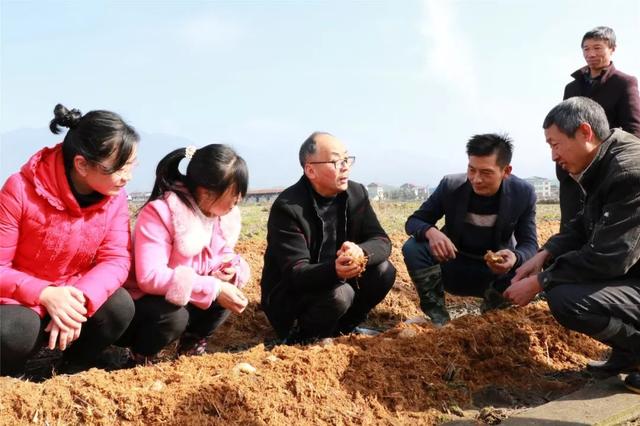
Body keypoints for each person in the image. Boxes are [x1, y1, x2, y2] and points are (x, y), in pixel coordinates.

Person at [504, 97, 640, 394]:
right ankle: (629, 354)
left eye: (555, 144)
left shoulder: (628, 173)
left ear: (585, 133)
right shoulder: (607, 157)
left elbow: (610, 258)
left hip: (628, 267)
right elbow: (585, 222)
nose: (553, 156)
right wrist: (546, 253)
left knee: (567, 298)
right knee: (561, 273)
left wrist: (541, 281)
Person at [0, 104, 139, 376]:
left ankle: (73, 368)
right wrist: (45, 294)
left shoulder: (115, 199)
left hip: (73, 291)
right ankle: (13, 379)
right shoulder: (19, 190)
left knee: (119, 307)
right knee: (13, 330)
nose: (127, 177)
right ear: (82, 165)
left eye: (132, 166)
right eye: (119, 168)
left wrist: (81, 301)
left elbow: (117, 258)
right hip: (22, 301)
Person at [260, 131, 396, 343]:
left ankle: (345, 328)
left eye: (346, 159)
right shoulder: (288, 208)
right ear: (310, 170)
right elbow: (296, 273)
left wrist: (361, 253)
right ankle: (302, 336)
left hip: (336, 285)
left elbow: (382, 241)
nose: (345, 167)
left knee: (384, 271)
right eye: (336, 161)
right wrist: (335, 269)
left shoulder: (356, 194)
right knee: (340, 294)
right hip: (293, 298)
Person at [122, 144, 250, 362]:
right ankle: (141, 354)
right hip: (149, 304)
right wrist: (214, 287)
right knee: (175, 317)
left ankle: (192, 344)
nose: (238, 199)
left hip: (189, 297)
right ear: (206, 192)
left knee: (228, 293)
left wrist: (229, 271)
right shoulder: (162, 213)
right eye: (234, 192)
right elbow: (150, 277)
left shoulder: (220, 217)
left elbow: (224, 254)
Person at [402, 134, 537, 326]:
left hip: (496, 274)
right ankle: (438, 318)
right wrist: (432, 232)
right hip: (453, 264)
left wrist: (515, 257)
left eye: (486, 173)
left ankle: (494, 316)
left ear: (506, 171)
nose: (476, 179)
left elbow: (530, 244)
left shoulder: (522, 193)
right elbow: (414, 221)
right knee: (414, 247)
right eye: (471, 170)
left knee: (536, 261)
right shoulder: (451, 186)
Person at [558, 26, 640, 232]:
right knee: (571, 231)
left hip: (607, 170)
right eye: (586, 49)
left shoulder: (624, 83)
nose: (591, 54)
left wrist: (618, 166)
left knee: (605, 230)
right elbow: (562, 126)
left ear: (612, 49)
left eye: (597, 48)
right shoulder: (572, 87)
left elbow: (634, 129)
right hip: (574, 171)